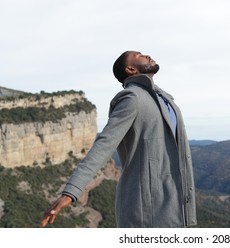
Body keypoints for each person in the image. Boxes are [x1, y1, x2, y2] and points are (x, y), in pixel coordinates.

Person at [41, 51, 197, 228]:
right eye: (139, 55)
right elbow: (104, 145)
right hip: (147, 211)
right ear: (130, 69)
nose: (147, 55)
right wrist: (71, 191)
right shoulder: (132, 98)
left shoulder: (165, 99)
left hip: (174, 206)